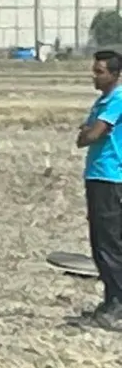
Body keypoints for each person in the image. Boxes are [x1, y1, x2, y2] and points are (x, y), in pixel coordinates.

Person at [75, 50, 122, 332]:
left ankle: (118, 303)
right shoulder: (102, 101)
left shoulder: (117, 100)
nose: (94, 76)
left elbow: (92, 134)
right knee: (100, 242)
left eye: (100, 71)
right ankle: (110, 299)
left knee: (111, 244)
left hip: (111, 178)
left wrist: (88, 131)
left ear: (115, 74)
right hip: (97, 176)